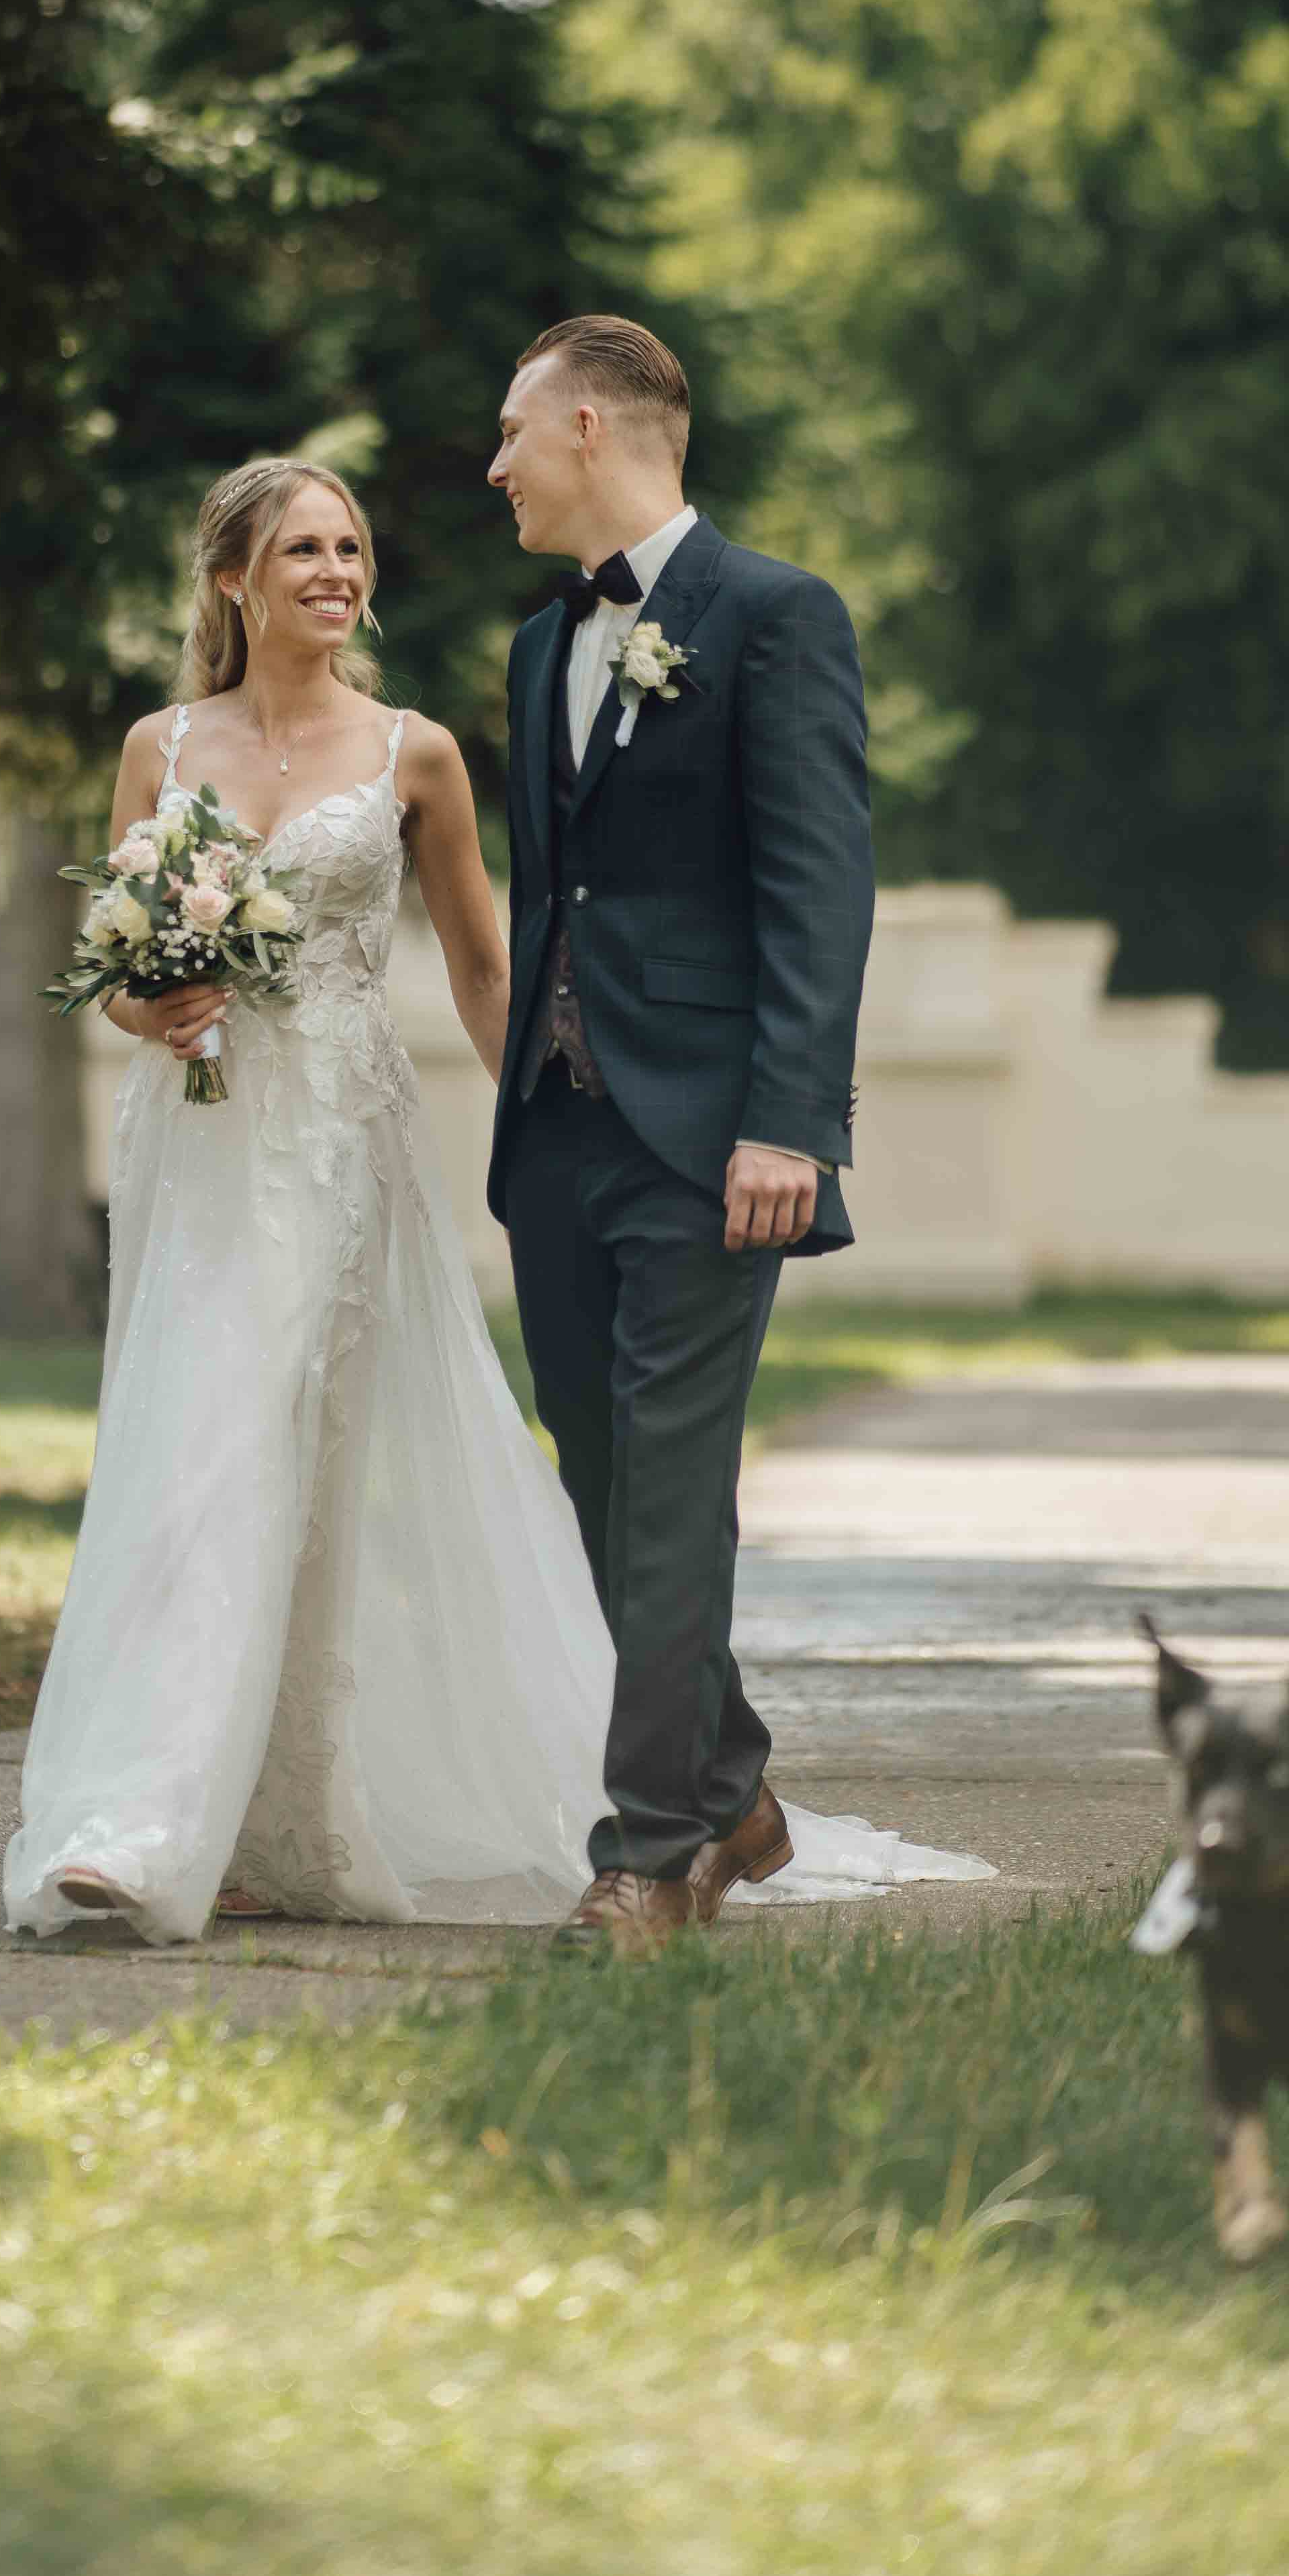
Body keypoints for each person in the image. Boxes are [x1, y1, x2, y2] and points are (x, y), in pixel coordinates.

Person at [4, 445, 984, 1946]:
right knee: (180, 1450)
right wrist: (153, 1007)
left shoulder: (415, 751)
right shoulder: (160, 744)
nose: (336, 574)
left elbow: (485, 963)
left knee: (277, 1459)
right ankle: (154, 1818)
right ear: (230, 578)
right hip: (193, 1151)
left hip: (336, 1145)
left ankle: (185, 1821)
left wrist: (556, 1122)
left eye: (350, 549)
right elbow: (118, 961)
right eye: (302, 553)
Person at [487, 314, 878, 1948]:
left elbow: (815, 884)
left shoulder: (776, 616)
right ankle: (730, 1783)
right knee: (596, 1487)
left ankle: (650, 1857)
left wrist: (790, 1122)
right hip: (559, 1135)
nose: (493, 467)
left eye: (511, 433)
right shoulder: (536, 645)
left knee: (665, 1487)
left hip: (715, 1143)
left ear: (591, 425)